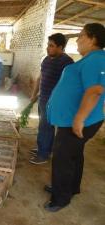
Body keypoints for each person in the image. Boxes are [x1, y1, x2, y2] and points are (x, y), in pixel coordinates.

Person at [44, 23, 105, 212]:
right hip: (74, 119)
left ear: (93, 38)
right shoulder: (91, 59)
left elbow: (95, 91)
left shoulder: (96, 59)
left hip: (78, 121)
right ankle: (71, 188)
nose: (77, 40)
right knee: (74, 155)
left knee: (62, 157)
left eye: (81, 35)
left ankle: (60, 198)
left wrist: (79, 118)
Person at [29, 33, 74, 164]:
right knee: (43, 126)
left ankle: (43, 155)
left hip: (53, 102)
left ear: (61, 47)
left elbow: (67, 85)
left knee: (46, 127)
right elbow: (40, 78)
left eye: (51, 46)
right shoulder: (46, 60)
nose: (48, 48)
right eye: (48, 45)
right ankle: (43, 148)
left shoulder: (67, 63)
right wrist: (34, 94)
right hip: (43, 98)